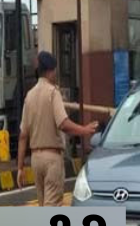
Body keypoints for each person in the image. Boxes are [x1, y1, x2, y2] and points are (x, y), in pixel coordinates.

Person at [17, 51, 98, 206]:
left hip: (36, 159)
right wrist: (84, 130)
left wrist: (20, 167)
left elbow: (23, 135)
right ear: (51, 71)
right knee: (52, 206)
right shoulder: (53, 93)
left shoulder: (30, 95)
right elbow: (63, 123)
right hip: (52, 158)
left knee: (43, 205)